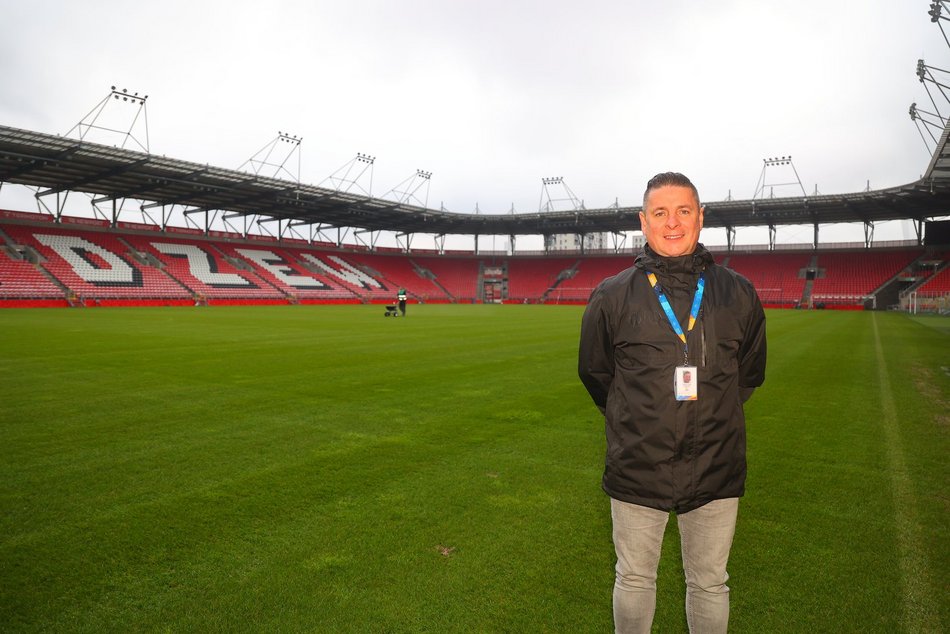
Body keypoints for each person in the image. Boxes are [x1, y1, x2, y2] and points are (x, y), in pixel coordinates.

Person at [578, 172, 767, 633]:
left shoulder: (738, 292)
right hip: (639, 463)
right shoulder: (612, 294)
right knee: (635, 578)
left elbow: (749, 374)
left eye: (684, 210)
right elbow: (596, 374)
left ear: (701, 217)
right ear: (643, 221)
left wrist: (708, 415)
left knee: (709, 583)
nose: (673, 222)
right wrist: (637, 420)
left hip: (716, 464)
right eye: (660, 212)